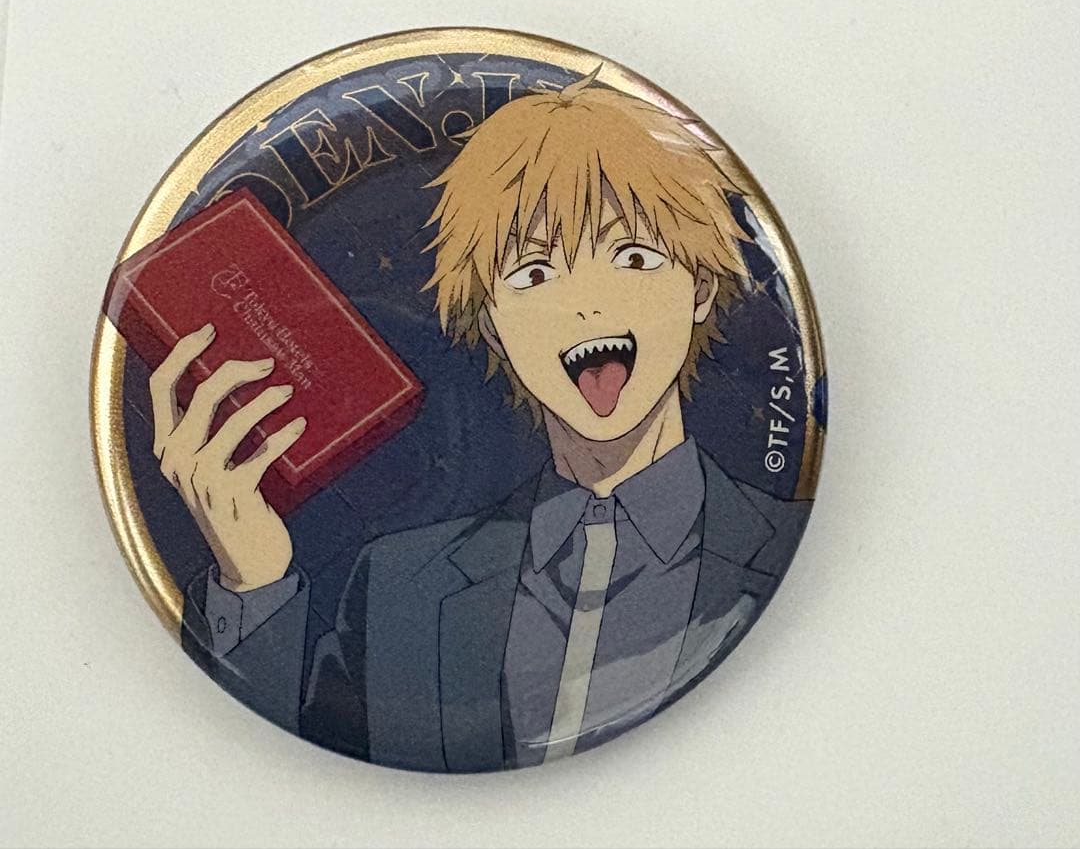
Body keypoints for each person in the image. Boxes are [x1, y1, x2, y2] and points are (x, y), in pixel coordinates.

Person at [151, 75, 810, 771]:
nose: (586, 305)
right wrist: (253, 581)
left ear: (699, 287)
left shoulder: (784, 549)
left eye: (634, 257)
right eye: (533, 273)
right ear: (491, 323)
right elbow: (294, 756)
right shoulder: (398, 585)